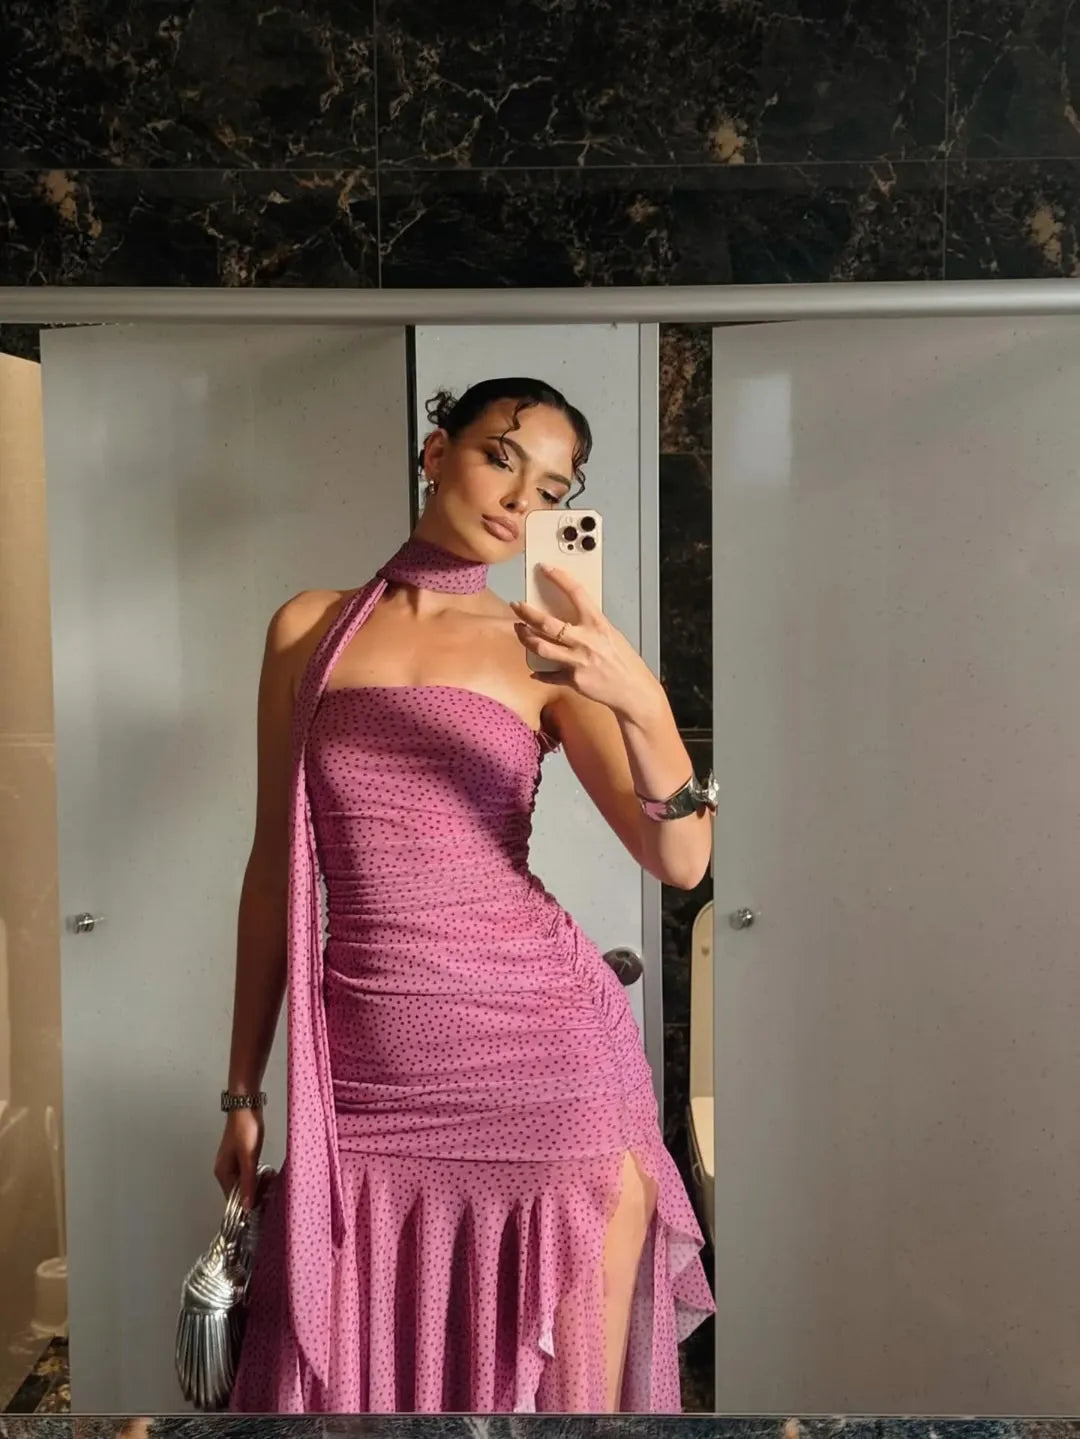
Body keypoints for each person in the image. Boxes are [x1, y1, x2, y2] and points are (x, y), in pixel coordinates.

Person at [214, 377, 716, 1414]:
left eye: (552, 487)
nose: (518, 500)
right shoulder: (309, 628)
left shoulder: (546, 649)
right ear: (434, 450)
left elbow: (681, 860)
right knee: (361, 1376)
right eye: (502, 457)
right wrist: (242, 1087)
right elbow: (275, 866)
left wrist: (642, 696)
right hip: (368, 1070)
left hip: (543, 1054)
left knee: (566, 1386)